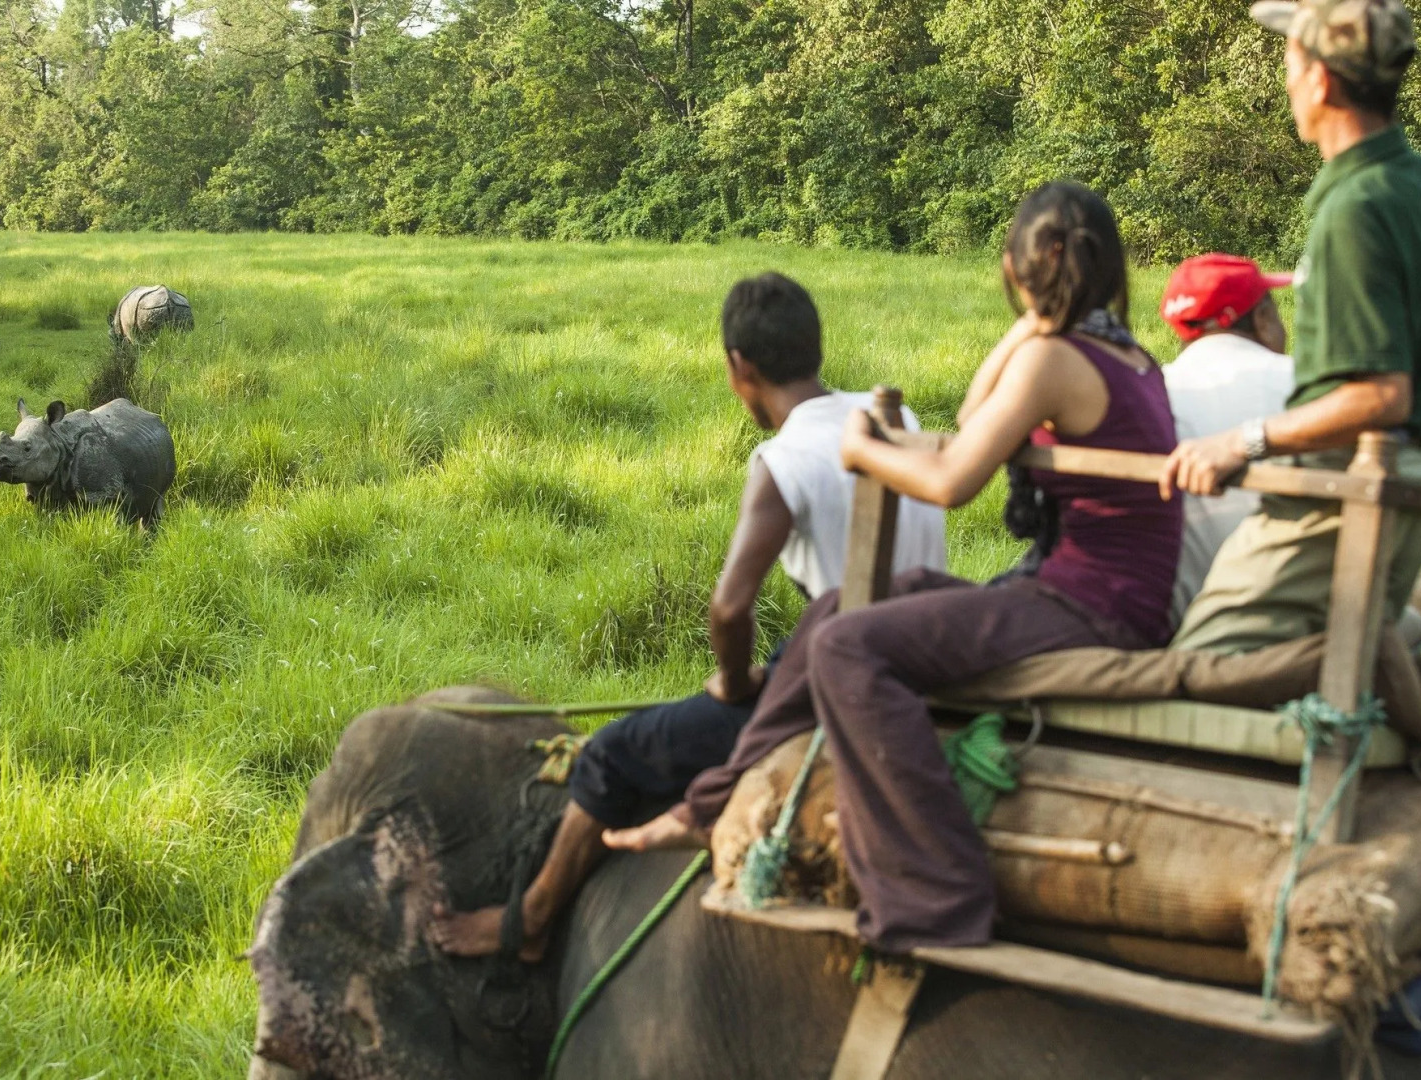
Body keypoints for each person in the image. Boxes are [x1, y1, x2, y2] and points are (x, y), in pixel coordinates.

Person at [608, 183, 1183, 952]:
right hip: (1088, 584)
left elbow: (951, 481)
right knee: (843, 607)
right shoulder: (1121, 350)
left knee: (852, 645)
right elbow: (981, 414)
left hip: (1093, 602)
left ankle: (934, 895)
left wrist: (863, 450)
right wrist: (1039, 314)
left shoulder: (1057, 356)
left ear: (1019, 267)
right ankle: (710, 802)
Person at [429, 272, 946, 960]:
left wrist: (734, 682)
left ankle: (529, 920)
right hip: (922, 643)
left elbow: (729, 607)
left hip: (844, 672)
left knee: (611, 754)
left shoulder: (784, 458)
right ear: (814, 347)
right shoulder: (893, 418)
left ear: (741, 368)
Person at [1163, 0, 1421, 654]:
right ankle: (1418, 675)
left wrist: (1242, 441)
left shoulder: (1356, 205)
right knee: (1339, 653)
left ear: (1321, 80)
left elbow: (1380, 395)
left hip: (1343, 490)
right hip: (1417, 482)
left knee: (1204, 660)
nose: (1287, 79)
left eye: (1290, 61)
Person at [1159, 254, 1295, 622]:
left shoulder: (1152, 390)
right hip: (1293, 611)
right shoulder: (1309, 388)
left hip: (1177, 615)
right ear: (1264, 319)